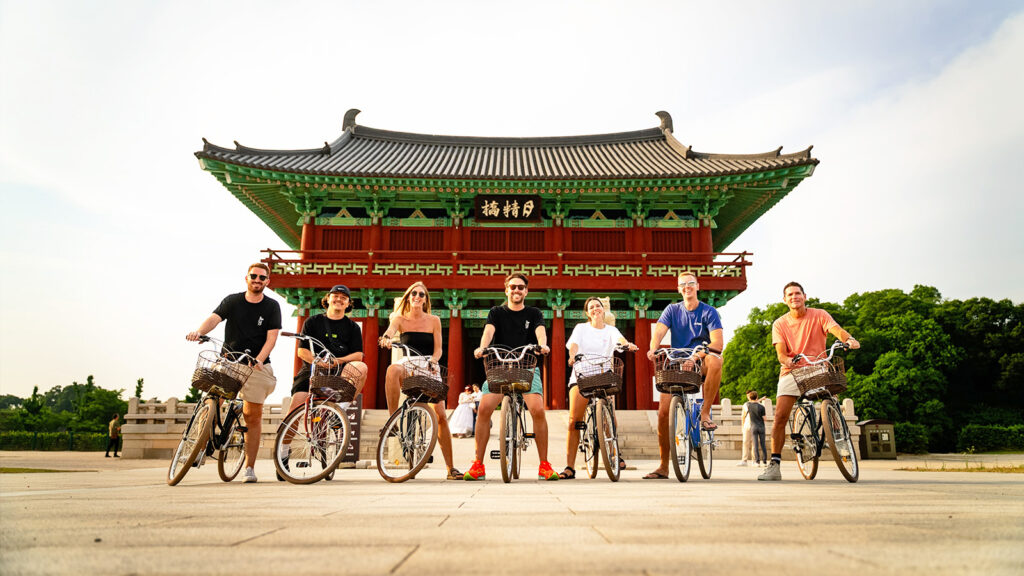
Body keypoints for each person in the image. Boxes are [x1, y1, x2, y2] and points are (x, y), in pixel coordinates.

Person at [186, 262, 281, 483]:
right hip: (229, 359)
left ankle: (249, 467)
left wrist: (258, 359)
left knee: (252, 416)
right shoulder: (233, 300)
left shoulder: (272, 306)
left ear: (267, 281)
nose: (257, 280)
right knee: (212, 400)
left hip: (256, 365)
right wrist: (199, 332)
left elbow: (272, 337)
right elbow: (214, 318)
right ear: (246, 278)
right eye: (254, 276)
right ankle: (200, 447)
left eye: (262, 278)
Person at [759, 281, 860, 481]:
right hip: (792, 370)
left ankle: (839, 439)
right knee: (780, 417)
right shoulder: (779, 323)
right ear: (784, 300)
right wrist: (788, 360)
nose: (794, 297)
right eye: (790, 295)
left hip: (818, 367)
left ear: (805, 296)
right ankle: (774, 464)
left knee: (832, 398)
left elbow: (836, 330)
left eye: (798, 293)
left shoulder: (819, 314)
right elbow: (781, 353)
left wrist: (849, 339)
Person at [464, 273, 556, 481]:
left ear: (526, 291)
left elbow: (540, 332)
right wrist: (483, 347)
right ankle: (478, 463)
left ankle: (544, 464)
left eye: (521, 287)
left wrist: (543, 344)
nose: (517, 290)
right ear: (506, 290)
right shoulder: (496, 312)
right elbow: (488, 332)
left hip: (526, 367)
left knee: (538, 410)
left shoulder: (534, 313)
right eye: (513, 287)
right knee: (485, 409)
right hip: (499, 366)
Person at [280, 285, 368, 478]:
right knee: (296, 406)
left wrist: (338, 361)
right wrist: (317, 361)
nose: (339, 299)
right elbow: (302, 350)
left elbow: (358, 355)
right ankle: (284, 452)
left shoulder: (352, 327)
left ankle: (341, 408)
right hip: (312, 370)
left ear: (348, 303)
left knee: (362, 368)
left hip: (338, 371)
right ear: (327, 299)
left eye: (344, 297)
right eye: (335, 296)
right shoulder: (312, 322)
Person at [643, 270, 724, 479]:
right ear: (678, 289)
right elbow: (659, 332)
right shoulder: (672, 310)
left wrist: (696, 357)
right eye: (683, 284)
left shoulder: (709, 312)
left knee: (716, 360)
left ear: (698, 286)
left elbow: (717, 343)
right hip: (677, 361)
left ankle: (705, 413)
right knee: (663, 413)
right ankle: (663, 465)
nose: (687, 287)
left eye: (691, 283)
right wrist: (653, 348)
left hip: (700, 359)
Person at [378, 282, 460, 479]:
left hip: (429, 364)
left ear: (425, 299)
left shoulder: (434, 320)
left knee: (440, 414)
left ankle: (450, 468)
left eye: (421, 294)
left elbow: (439, 348)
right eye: (413, 293)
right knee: (392, 370)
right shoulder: (399, 319)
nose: (417, 296)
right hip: (408, 363)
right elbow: (389, 332)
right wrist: (386, 339)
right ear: (408, 297)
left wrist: (433, 360)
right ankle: (393, 420)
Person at [559, 297, 637, 479]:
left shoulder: (611, 330)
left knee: (610, 416)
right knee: (573, 421)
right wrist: (572, 356)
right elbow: (574, 345)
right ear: (587, 313)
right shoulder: (581, 328)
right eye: (591, 307)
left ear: (604, 310)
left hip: (604, 377)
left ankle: (614, 452)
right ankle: (569, 467)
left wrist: (627, 345)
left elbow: (620, 339)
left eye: (598, 306)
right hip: (582, 375)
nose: (595, 309)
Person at [745, 390, 767, 466]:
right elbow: (765, 418)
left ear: (750, 398)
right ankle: (764, 461)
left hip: (753, 427)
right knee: (763, 444)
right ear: (757, 397)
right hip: (761, 427)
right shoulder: (762, 407)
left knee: (755, 444)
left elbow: (752, 402)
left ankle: (757, 462)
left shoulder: (748, 405)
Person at [738, 395, 753, 467]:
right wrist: (743, 426)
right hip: (747, 425)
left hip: (755, 425)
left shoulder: (759, 405)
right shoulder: (745, 405)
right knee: (745, 442)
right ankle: (744, 460)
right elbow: (743, 416)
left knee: (754, 443)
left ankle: (755, 460)